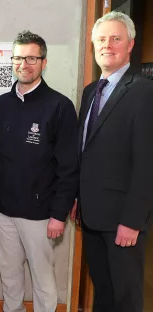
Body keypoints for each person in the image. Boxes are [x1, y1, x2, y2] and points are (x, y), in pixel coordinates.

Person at [0, 31, 78, 312]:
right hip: (2, 210)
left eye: (31, 58)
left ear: (43, 62)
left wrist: (58, 214)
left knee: (43, 279)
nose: (23, 64)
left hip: (41, 214)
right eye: (17, 57)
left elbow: (69, 167)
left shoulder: (60, 106)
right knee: (10, 274)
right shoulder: (1, 104)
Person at [71, 11, 153, 312]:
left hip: (123, 220)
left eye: (116, 39)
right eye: (102, 39)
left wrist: (132, 221)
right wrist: (78, 196)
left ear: (130, 45)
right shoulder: (91, 91)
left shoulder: (145, 93)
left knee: (126, 296)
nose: (108, 45)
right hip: (92, 216)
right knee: (102, 289)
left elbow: (147, 165)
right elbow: (86, 150)